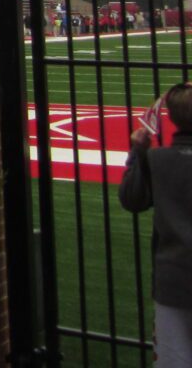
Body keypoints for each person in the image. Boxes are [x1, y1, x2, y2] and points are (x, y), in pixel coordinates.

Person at [120, 82, 192, 365]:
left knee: (173, 358)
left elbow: (131, 199)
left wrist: (137, 153)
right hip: (171, 277)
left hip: (171, 278)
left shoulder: (156, 159)